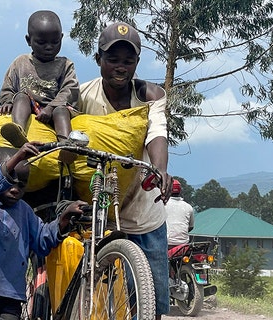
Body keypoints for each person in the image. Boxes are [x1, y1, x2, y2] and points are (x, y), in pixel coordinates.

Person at [77, 22, 172, 319]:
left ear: (137, 63)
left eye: (128, 61)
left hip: (144, 215)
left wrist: (159, 170)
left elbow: (157, 132)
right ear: (98, 60)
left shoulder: (150, 95)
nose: (120, 67)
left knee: (151, 304)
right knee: (90, 298)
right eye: (112, 60)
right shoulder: (82, 96)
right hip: (97, 214)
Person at [0, 143, 87, 320]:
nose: (15, 189)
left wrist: (63, 219)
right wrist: (18, 157)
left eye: (21, 185)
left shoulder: (25, 211)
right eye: (9, 181)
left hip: (11, 297)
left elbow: (43, 239)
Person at [0, 10, 79, 149]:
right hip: (29, 105)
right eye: (42, 42)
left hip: (54, 108)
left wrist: (50, 108)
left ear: (61, 38)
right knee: (21, 96)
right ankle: (18, 133)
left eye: (55, 42)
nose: (49, 47)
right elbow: (8, 87)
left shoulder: (65, 64)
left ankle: (67, 146)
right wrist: (7, 101)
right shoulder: (20, 62)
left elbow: (69, 90)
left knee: (61, 110)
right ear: (29, 40)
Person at [166, 179, 195, 248]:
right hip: (184, 244)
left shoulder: (163, 205)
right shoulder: (188, 207)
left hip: (167, 243)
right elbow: (191, 227)